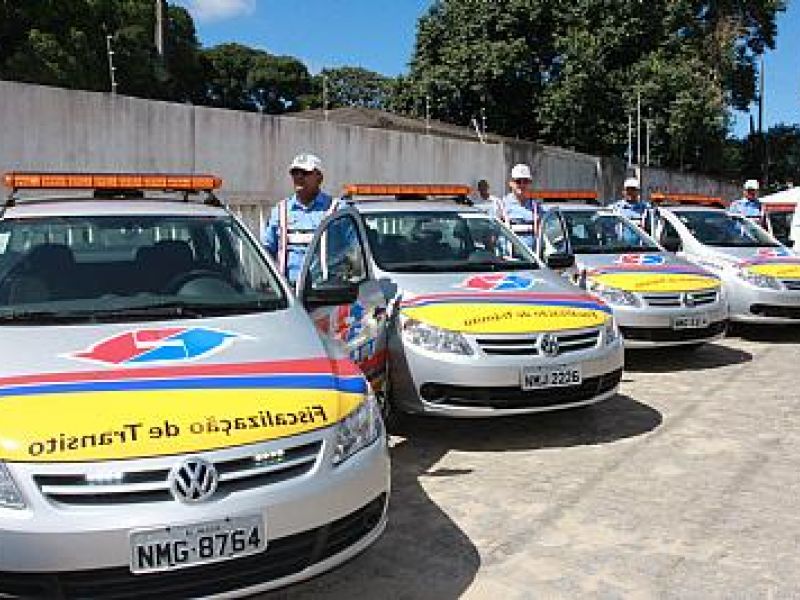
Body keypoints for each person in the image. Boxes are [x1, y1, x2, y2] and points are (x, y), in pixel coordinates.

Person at [262, 153, 337, 286]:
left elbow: (351, 250)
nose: (299, 177)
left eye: (305, 173)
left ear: (319, 177)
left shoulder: (335, 209)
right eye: (295, 173)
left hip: (325, 290)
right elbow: (267, 250)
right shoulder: (280, 211)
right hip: (288, 289)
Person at [491, 163, 542, 250]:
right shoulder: (501, 206)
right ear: (511, 183)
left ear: (529, 184)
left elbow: (543, 236)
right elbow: (492, 237)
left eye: (525, 181)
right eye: (518, 181)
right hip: (507, 257)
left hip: (531, 257)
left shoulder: (536, 208)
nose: (522, 185)